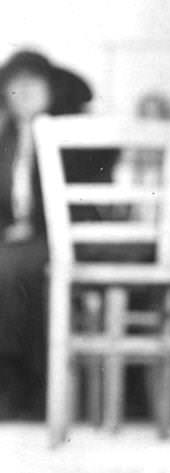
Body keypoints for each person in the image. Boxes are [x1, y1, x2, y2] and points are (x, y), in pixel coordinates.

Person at [0, 48, 92, 419]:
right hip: (15, 242)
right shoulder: (5, 141)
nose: (24, 91)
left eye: (33, 83)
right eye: (14, 85)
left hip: (62, 239)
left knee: (14, 272)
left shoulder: (71, 133)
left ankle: (28, 386)